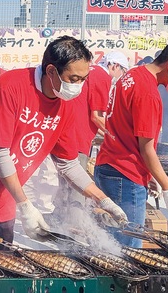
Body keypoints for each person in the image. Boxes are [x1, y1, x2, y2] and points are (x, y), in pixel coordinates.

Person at [0, 36, 128, 250]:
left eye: (83, 79)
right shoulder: (10, 86)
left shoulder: (66, 103)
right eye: (74, 78)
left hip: (3, 197)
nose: (79, 86)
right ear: (51, 71)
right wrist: (25, 205)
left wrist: (103, 200)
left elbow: (68, 163)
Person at [94, 37, 168, 248]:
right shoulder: (148, 93)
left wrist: (151, 175)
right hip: (125, 174)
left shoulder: (134, 75)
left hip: (109, 165)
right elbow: (146, 149)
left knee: (111, 244)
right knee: (127, 248)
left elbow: (130, 133)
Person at [52, 51, 129, 216]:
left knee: (65, 181)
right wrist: (117, 136)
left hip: (67, 130)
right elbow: (97, 117)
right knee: (77, 186)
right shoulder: (102, 76)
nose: (121, 76)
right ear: (114, 65)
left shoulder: (90, 71)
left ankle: (59, 216)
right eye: (122, 71)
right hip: (77, 135)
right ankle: (75, 224)